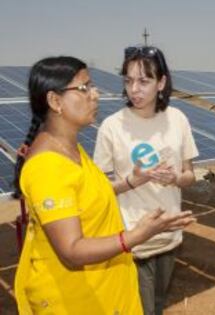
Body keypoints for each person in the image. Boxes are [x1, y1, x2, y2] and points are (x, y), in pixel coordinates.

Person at [13, 56, 195, 315]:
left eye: (93, 86)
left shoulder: (70, 150)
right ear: (55, 101)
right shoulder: (48, 166)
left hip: (99, 293)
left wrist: (134, 180)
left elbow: (89, 195)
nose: (96, 95)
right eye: (84, 88)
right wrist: (138, 235)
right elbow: (72, 250)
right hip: (73, 300)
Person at [94, 45, 199, 315]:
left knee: (158, 304)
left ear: (161, 82)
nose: (135, 89)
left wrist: (176, 177)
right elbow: (99, 189)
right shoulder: (112, 127)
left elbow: (190, 176)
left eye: (144, 80)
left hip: (170, 236)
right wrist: (133, 181)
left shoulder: (178, 120)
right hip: (132, 241)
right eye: (128, 81)